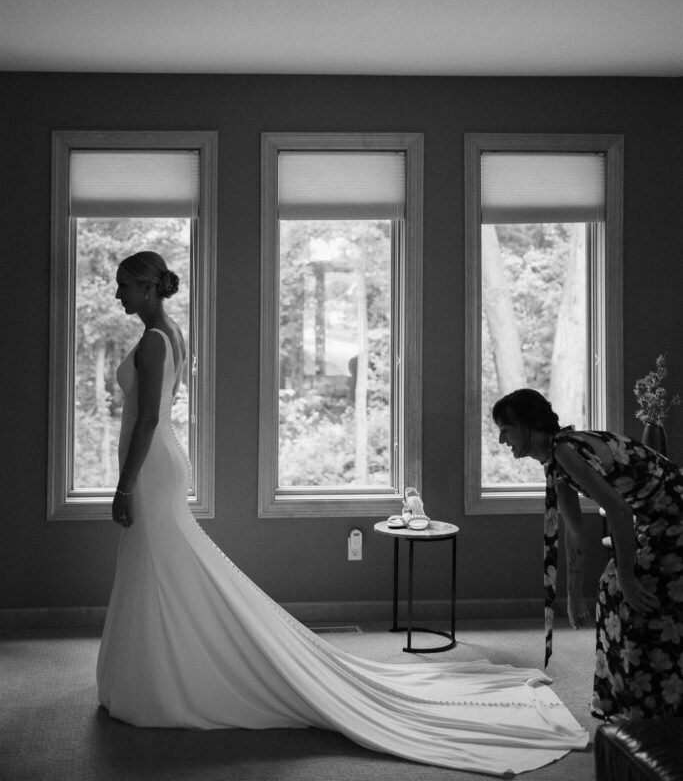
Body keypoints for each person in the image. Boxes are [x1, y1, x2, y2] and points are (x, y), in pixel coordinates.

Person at [97, 254, 589, 775]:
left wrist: (124, 485)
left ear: (149, 287)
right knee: (165, 568)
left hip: (151, 469)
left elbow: (148, 416)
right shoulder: (171, 333)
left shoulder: (156, 339)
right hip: (163, 465)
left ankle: (172, 674)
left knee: (165, 566)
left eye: (124, 285)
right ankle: (161, 668)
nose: (117, 295)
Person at [492, 388, 683, 721]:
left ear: (528, 424)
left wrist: (626, 574)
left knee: (623, 592)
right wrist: (573, 592)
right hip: (656, 517)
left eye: (505, 429)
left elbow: (619, 512)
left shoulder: (566, 451)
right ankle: (626, 699)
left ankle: (647, 702)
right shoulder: (556, 459)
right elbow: (575, 529)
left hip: (675, 513)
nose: (501, 440)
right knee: (613, 591)